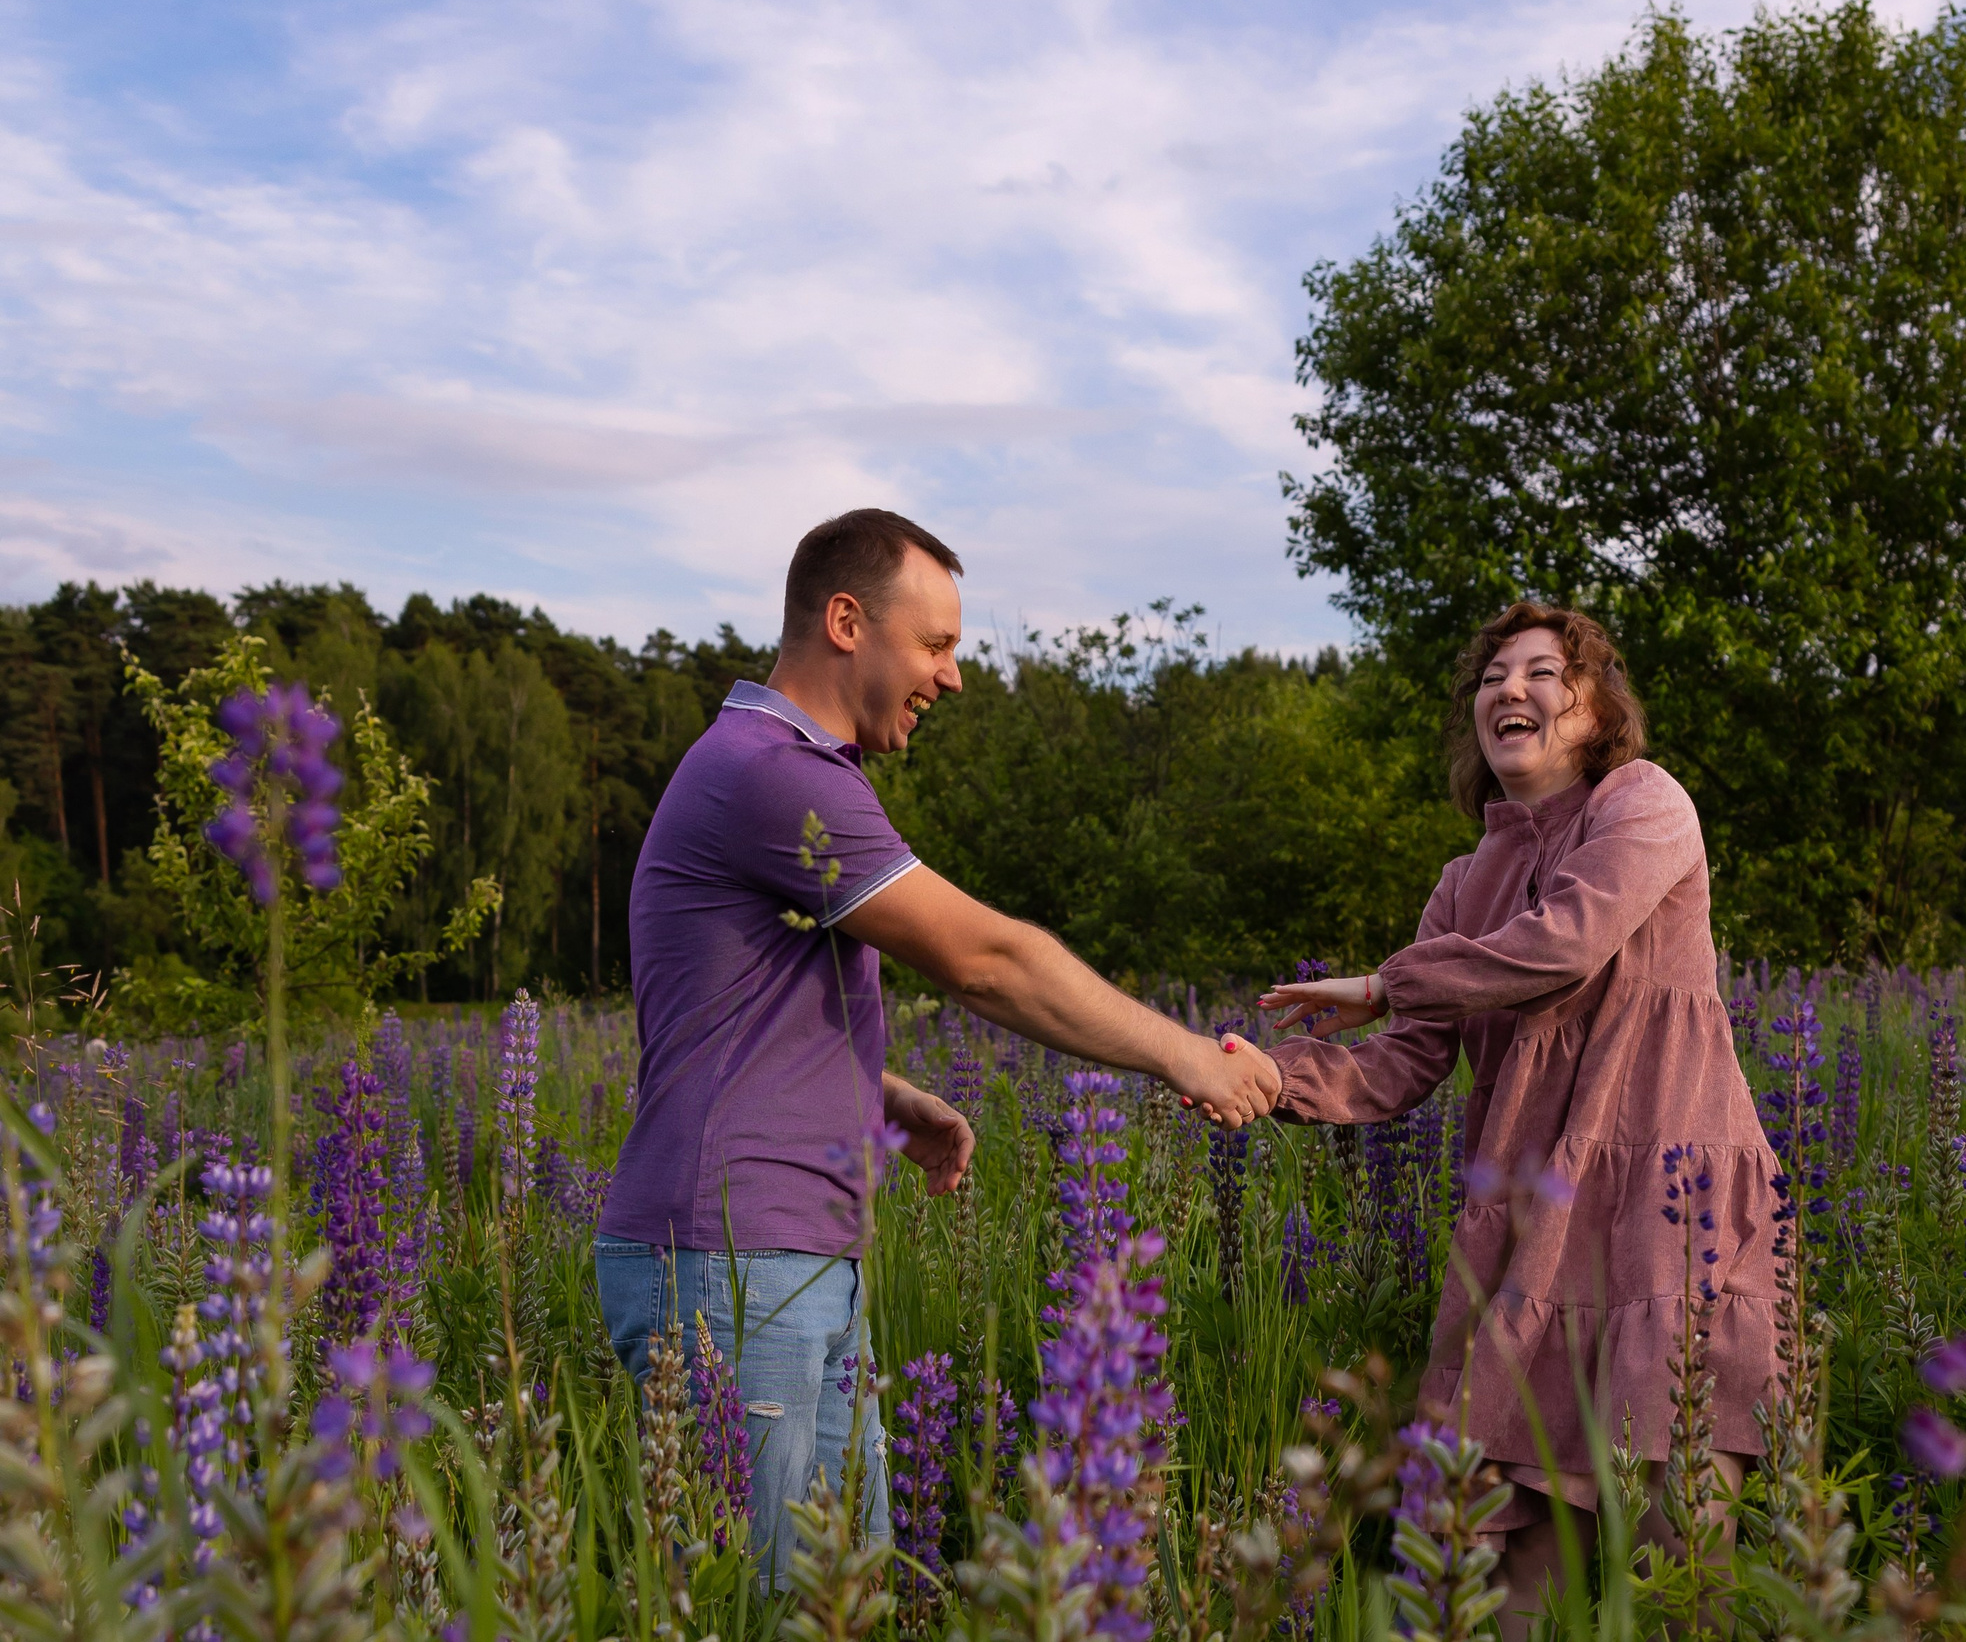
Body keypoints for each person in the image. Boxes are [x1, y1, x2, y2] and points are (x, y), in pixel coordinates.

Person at [595, 508, 1281, 1576]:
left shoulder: (783, 770)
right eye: (937, 645)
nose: (952, 678)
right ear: (845, 622)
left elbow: (719, 1006)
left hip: (794, 1257)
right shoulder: (773, 773)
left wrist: (880, 1090)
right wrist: (1183, 1054)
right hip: (726, 1264)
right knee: (762, 1606)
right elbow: (986, 962)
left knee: (844, 1597)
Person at [1257, 601, 1780, 1641]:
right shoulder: (1463, 884)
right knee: (1515, 1570)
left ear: (1595, 709)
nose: (1510, 691)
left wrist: (1386, 980)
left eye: (1544, 674)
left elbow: (1565, 942)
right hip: (1529, 1240)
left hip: (1662, 1213)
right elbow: (1401, 1067)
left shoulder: (1646, 804)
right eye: (1494, 676)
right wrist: (1264, 1080)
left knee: (1678, 1553)